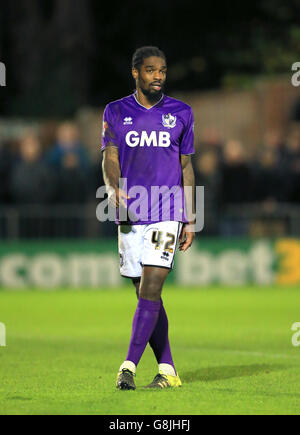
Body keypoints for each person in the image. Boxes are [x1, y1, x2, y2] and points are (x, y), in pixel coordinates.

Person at [101, 46, 196, 390]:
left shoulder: (182, 113)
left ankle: (128, 366)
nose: (158, 76)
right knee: (144, 292)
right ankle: (168, 369)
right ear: (136, 73)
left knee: (152, 285)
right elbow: (110, 157)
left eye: (163, 71)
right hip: (130, 212)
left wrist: (190, 217)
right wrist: (112, 187)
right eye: (152, 70)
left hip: (167, 210)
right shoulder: (115, 111)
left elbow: (186, 166)